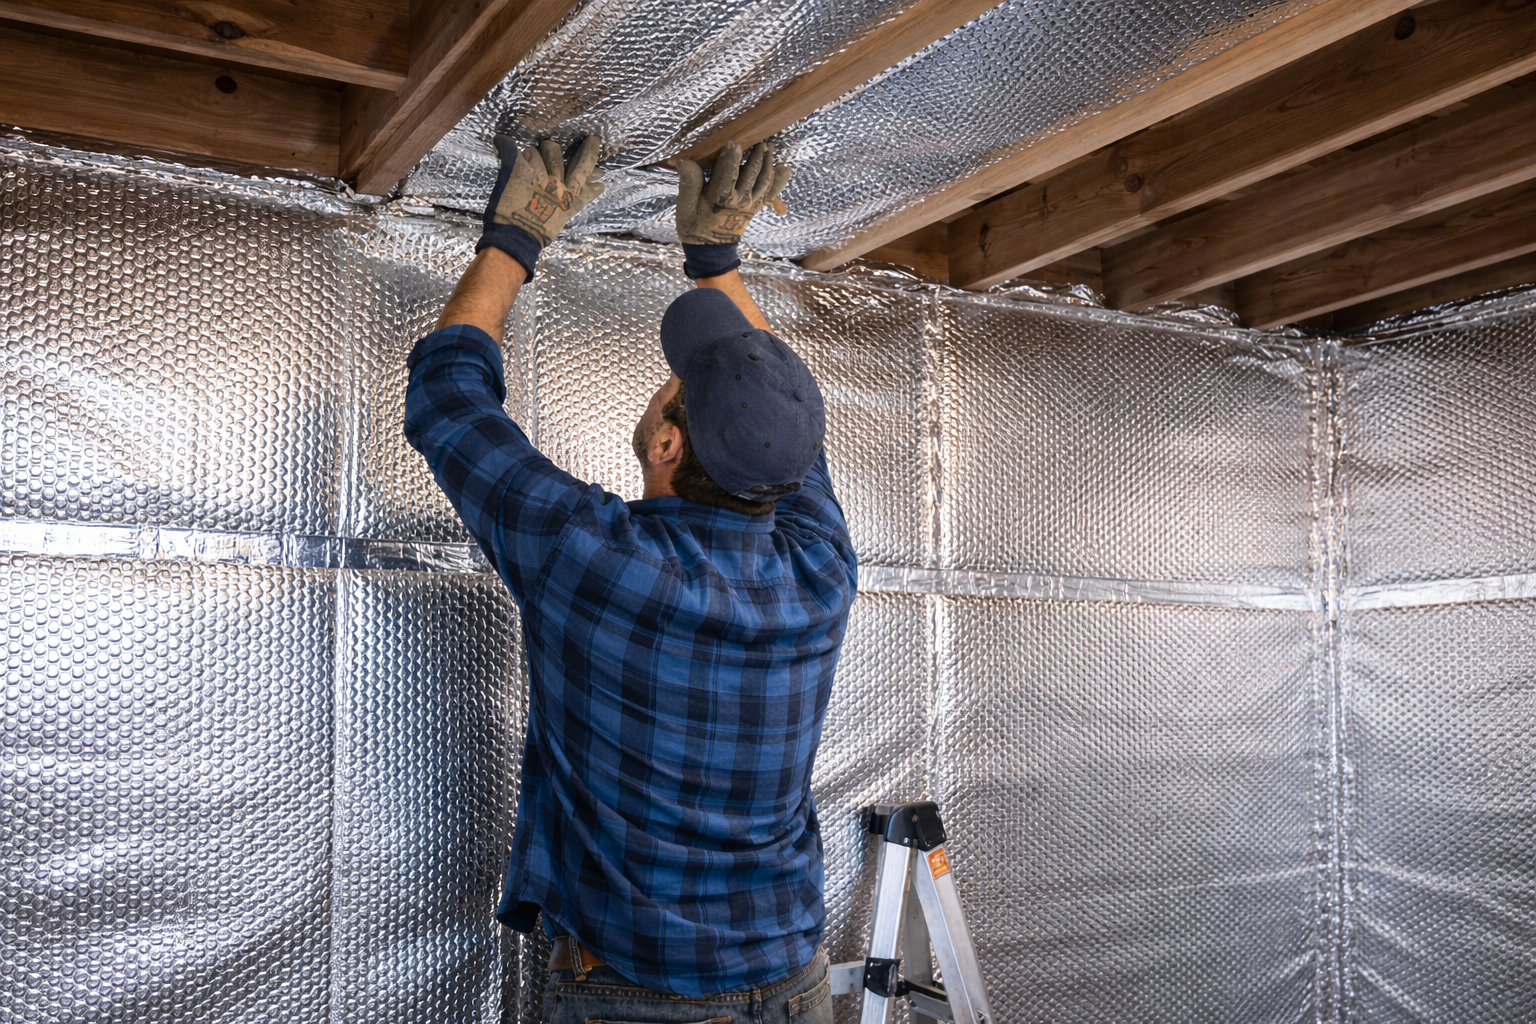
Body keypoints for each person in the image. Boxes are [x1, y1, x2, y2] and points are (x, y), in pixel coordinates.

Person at [403, 133, 856, 1024]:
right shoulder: (818, 570)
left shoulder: (596, 558)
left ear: (666, 443)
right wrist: (715, 261)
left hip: (640, 996)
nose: (667, 385)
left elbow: (451, 399)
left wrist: (518, 237)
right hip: (791, 975)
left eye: (675, 386)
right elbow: (784, 431)